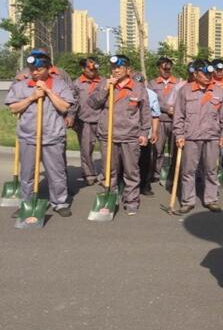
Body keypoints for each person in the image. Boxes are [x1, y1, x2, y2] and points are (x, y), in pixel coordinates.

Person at [5, 51, 75, 217]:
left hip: (53, 136)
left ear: (49, 68)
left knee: (56, 173)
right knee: (27, 174)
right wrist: (32, 97)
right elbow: (13, 108)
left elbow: (64, 107)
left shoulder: (60, 85)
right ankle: (27, 203)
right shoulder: (21, 86)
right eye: (31, 69)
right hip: (28, 137)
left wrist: (48, 92)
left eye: (38, 69)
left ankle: (59, 202)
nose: (34, 72)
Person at [88, 55, 150, 216]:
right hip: (108, 136)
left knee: (131, 172)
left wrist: (144, 132)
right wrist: (105, 89)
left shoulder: (138, 88)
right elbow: (92, 104)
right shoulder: (105, 84)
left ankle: (131, 201)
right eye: (113, 68)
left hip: (130, 136)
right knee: (109, 171)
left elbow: (145, 112)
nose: (115, 70)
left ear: (128, 70)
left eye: (119, 68)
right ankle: (111, 197)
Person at [173, 60, 223, 214]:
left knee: (211, 169)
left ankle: (211, 199)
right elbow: (179, 115)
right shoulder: (185, 91)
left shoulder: (218, 91)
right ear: (195, 74)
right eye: (204, 74)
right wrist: (179, 134)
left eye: (210, 74)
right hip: (191, 137)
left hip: (212, 137)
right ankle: (188, 201)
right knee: (188, 171)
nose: (208, 77)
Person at [67, 57, 102, 186]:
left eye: (95, 68)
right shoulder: (77, 84)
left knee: (107, 149)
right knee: (86, 149)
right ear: (83, 69)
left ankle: (108, 173)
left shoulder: (103, 82)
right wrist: (71, 116)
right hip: (84, 120)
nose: (93, 71)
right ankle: (89, 174)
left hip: (101, 119)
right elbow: (73, 102)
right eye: (90, 68)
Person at [148, 57, 178, 183]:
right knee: (157, 149)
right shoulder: (152, 84)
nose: (166, 70)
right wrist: (167, 108)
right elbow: (151, 101)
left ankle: (174, 172)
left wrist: (175, 109)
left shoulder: (178, 83)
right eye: (163, 68)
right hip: (159, 120)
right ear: (158, 68)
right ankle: (155, 172)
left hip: (175, 120)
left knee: (175, 150)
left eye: (168, 68)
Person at [136, 73, 161, 196]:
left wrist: (154, 132)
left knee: (145, 160)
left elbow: (155, 115)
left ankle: (145, 186)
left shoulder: (151, 94)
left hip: (145, 131)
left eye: (140, 83)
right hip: (129, 132)